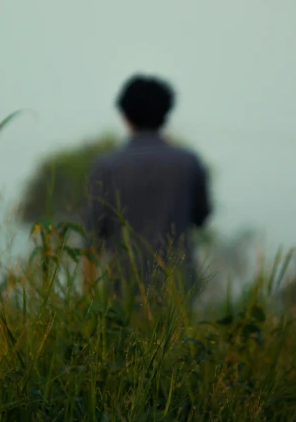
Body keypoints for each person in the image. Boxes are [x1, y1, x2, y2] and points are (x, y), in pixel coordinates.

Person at [82, 75, 212, 305]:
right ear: (166, 113)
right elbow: (201, 217)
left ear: (124, 115)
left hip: (122, 285)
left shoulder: (106, 167)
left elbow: (93, 235)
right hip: (178, 284)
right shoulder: (188, 162)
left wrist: (86, 297)